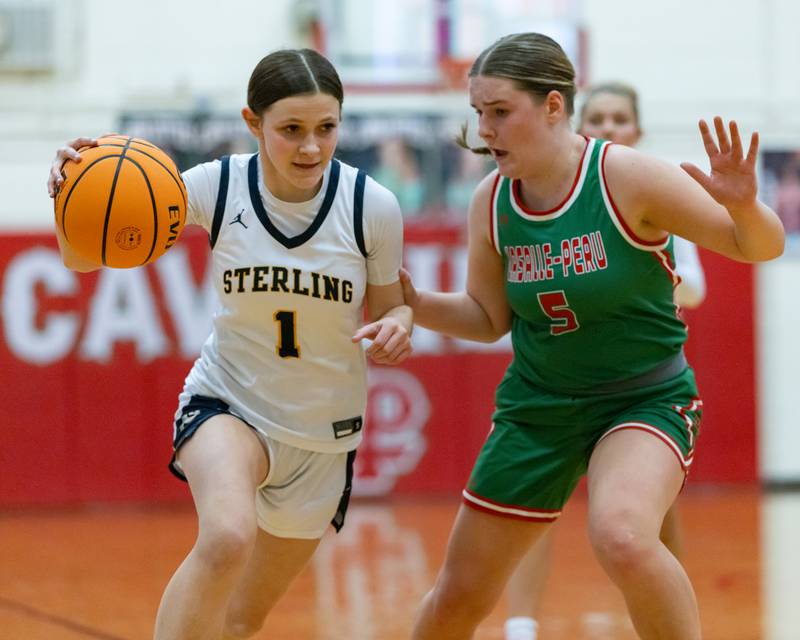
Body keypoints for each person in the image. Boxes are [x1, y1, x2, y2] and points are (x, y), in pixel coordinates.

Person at [400, 32, 783, 640]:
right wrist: (417, 303)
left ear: (553, 106)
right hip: (540, 406)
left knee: (624, 535)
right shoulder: (491, 201)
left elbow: (758, 247)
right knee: (458, 595)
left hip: (643, 398)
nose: (485, 130)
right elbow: (487, 317)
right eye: (478, 114)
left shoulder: (626, 177)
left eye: (500, 112)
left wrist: (743, 207)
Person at [47, 48, 413, 640]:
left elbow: (393, 303)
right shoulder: (216, 186)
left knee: (241, 621)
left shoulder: (373, 206)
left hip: (323, 434)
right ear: (253, 123)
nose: (311, 147)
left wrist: (400, 323)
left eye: (327, 128)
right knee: (226, 537)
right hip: (228, 402)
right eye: (291, 129)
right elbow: (85, 259)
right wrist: (71, 200)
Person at [502, 81, 707, 640]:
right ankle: (520, 625)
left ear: (637, 129)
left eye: (621, 118)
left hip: (639, 381)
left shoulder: (653, 188)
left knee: (648, 519)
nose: (611, 127)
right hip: (558, 379)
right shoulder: (532, 194)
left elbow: (696, 284)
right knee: (533, 502)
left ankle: (669, 617)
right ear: (577, 125)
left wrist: (631, 275)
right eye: (599, 117)